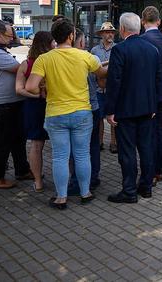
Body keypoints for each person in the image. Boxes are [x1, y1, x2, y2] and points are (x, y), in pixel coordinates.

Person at [25, 19, 108, 209]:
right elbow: (101, 74)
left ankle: (61, 197)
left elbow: (30, 87)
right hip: (82, 113)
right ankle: (85, 193)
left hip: (56, 114)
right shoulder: (85, 56)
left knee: (60, 156)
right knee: (82, 154)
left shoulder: (44, 59)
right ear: (71, 36)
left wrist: (43, 91)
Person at [104, 13, 160, 203]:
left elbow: (114, 82)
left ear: (122, 29)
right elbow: (158, 80)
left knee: (127, 152)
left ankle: (129, 191)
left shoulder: (120, 50)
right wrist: (153, 106)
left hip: (125, 111)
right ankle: (145, 187)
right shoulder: (152, 50)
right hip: (147, 110)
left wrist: (110, 110)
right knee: (146, 148)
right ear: (139, 28)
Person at [0, 20, 33, 189]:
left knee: (18, 139)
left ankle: (22, 170)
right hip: (2, 105)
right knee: (3, 141)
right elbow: (19, 69)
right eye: (10, 35)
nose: (12, 38)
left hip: (11, 102)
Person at [15, 31, 54, 192]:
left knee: (36, 145)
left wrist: (34, 95)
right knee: (61, 144)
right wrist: (41, 94)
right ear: (47, 43)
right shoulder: (53, 61)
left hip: (32, 106)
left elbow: (19, 89)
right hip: (52, 105)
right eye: (52, 42)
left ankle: (37, 182)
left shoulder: (26, 63)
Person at [140, 6, 162, 184]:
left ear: (142, 21)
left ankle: (148, 171)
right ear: (159, 21)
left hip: (146, 95)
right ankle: (158, 171)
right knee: (161, 133)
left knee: (147, 134)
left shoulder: (140, 40)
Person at [68, 28, 103, 193]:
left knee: (73, 150)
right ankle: (93, 178)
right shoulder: (90, 58)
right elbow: (102, 81)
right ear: (81, 42)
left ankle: (75, 181)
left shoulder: (55, 57)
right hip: (91, 106)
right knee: (92, 146)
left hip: (66, 108)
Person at [91, 22, 118, 153]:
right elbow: (92, 70)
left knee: (114, 118)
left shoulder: (118, 48)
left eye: (112, 32)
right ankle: (99, 141)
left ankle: (114, 142)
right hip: (98, 89)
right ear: (102, 34)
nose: (110, 34)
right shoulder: (94, 50)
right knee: (99, 118)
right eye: (107, 32)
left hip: (113, 90)